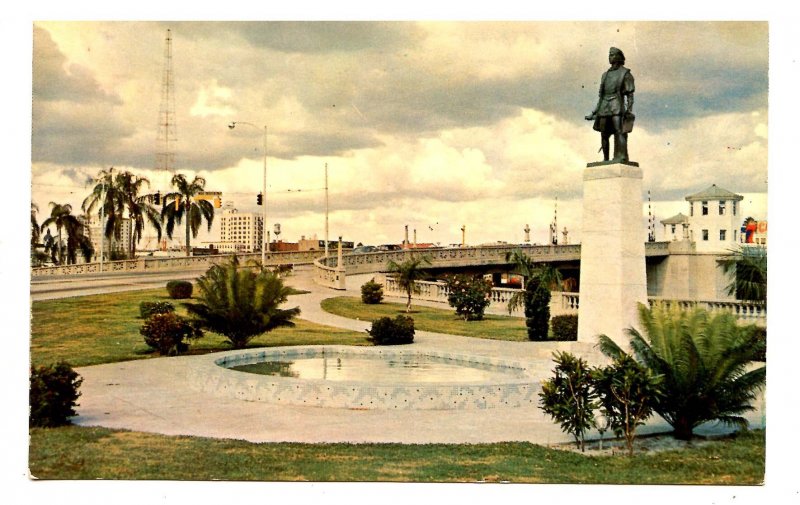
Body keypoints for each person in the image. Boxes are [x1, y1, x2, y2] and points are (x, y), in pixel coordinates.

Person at [585, 47, 635, 163]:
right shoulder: (605, 75)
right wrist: (594, 112)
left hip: (616, 105)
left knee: (619, 131)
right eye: (609, 55)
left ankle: (621, 156)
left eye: (612, 55)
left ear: (619, 57)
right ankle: (605, 159)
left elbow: (630, 95)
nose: (610, 57)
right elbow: (601, 96)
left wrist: (629, 110)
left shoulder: (625, 73)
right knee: (604, 133)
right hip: (604, 107)